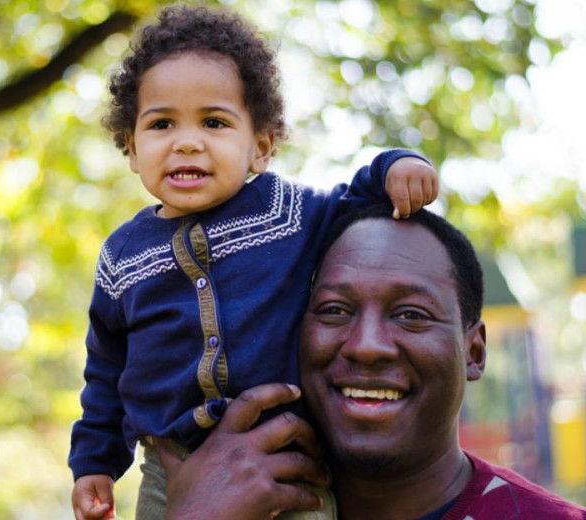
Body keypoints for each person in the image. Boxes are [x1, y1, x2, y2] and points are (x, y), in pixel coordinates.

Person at [68, 5, 440, 520]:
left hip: (287, 460)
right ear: (132, 148)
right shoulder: (122, 255)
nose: (187, 140)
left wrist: (396, 165)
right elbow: (106, 370)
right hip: (169, 469)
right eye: (161, 124)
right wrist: (95, 463)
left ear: (260, 146)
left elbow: (354, 199)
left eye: (215, 121)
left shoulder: (285, 212)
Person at [155, 204, 586, 520]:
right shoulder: (212, 505)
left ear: (473, 352)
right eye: (335, 311)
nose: (367, 346)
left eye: (411, 315)